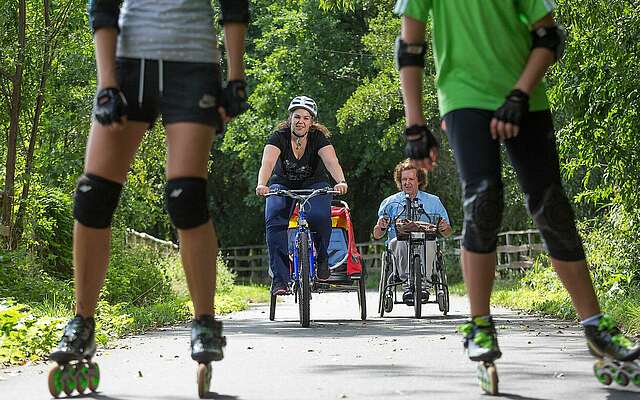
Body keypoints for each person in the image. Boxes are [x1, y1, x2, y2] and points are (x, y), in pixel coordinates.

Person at [393, 0, 639, 383]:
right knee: (484, 199)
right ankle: (480, 325)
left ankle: (595, 325)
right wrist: (414, 125)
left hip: (524, 96)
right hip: (464, 97)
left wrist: (520, 94)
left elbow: (547, 35)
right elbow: (410, 47)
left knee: (551, 206)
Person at [48, 0, 249, 385]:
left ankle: (205, 323)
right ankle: (82, 322)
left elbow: (234, 4)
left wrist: (235, 77)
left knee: (186, 196)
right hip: (129, 64)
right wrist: (106, 82)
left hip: (192, 65)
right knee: (93, 195)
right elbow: (102, 6)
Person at [256, 96, 348, 295]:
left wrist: (340, 181)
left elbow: (332, 162)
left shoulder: (318, 138)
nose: (301, 121)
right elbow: (268, 163)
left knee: (321, 216)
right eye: (297, 116)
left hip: (314, 183)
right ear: (290, 118)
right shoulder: (278, 137)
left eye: (306, 118)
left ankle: (323, 258)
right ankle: (280, 280)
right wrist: (262, 184)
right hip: (282, 183)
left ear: (311, 121)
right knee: (274, 221)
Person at [373, 159, 451, 304]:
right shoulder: (390, 203)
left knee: (430, 241)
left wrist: (444, 227)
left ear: (419, 180)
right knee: (400, 241)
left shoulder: (433, 202)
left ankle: (425, 285)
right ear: (399, 181)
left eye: (411, 179)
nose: (407, 182)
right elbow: (377, 235)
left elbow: (447, 232)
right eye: (403, 179)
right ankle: (407, 284)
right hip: (399, 244)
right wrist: (381, 226)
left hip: (426, 241)